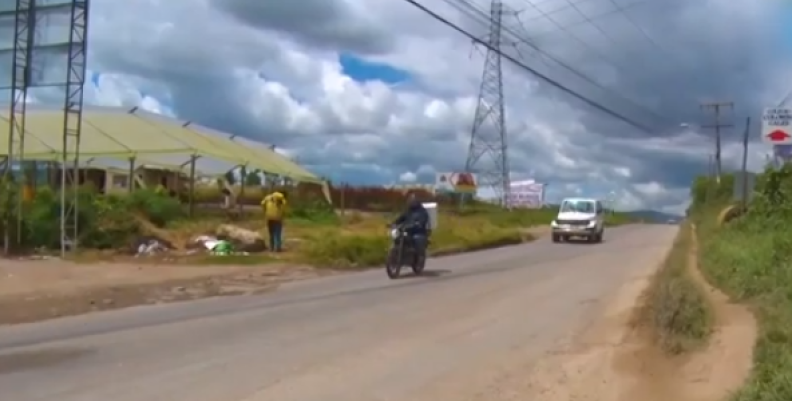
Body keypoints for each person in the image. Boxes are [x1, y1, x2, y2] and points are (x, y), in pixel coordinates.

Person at [391, 193, 430, 259]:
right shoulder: (408, 211)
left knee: (417, 239)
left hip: (418, 231)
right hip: (407, 230)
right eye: (410, 201)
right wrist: (394, 223)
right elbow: (401, 218)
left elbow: (423, 219)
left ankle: (418, 255)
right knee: (397, 237)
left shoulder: (422, 211)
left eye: (413, 201)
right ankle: (395, 254)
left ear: (417, 201)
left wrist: (419, 224)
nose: (411, 202)